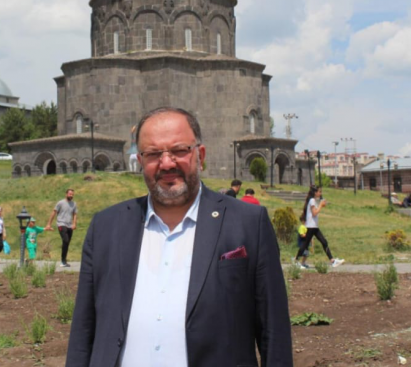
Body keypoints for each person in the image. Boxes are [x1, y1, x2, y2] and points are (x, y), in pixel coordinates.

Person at [66, 107, 292, 367]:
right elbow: (83, 332)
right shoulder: (107, 227)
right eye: (153, 154)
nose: (166, 163)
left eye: (179, 150)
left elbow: (274, 334)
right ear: (140, 161)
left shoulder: (248, 224)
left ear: (200, 155)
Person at [296, 185, 345, 269]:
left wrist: (320, 205)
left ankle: (333, 261)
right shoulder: (312, 200)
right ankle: (296, 262)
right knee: (305, 244)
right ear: (315, 192)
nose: (320, 193)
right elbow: (314, 213)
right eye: (319, 191)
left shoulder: (313, 200)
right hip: (310, 226)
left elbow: (314, 212)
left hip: (314, 226)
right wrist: (321, 206)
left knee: (324, 242)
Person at [46, 189, 78, 267]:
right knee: (65, 240)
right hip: (61, 224)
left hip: (69, 225)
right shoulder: (61, 203)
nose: (71, 195)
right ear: (66, 194)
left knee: (67, 243)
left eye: (72, 194)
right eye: (70, 194)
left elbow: (75, 214)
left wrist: (74, 224)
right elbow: (54, 212)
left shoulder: (74, 204)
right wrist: (49, 224)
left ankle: (64, 261)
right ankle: (63, 261)